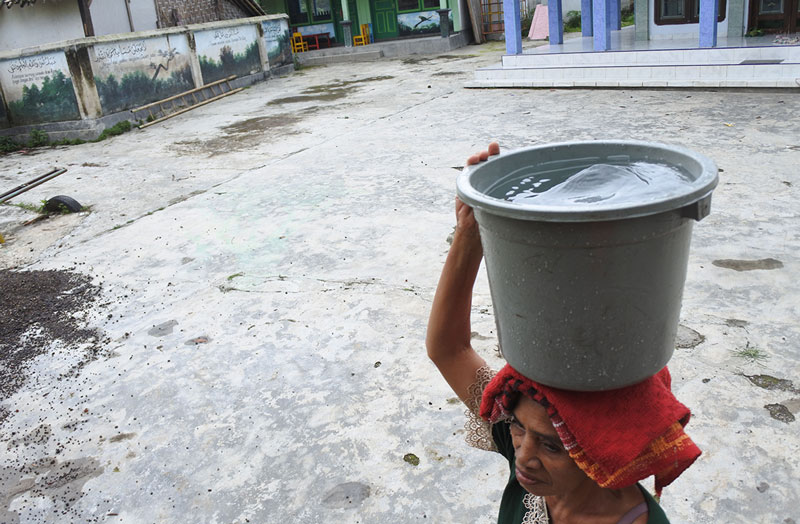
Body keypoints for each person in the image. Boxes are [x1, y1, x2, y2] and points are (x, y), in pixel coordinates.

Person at [426, 143, 701, 524]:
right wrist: (471, 231)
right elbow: (449, 349)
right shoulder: (534, 445)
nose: (521, 455)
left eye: (553, 446)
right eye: (519, 428)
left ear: (606, 451)